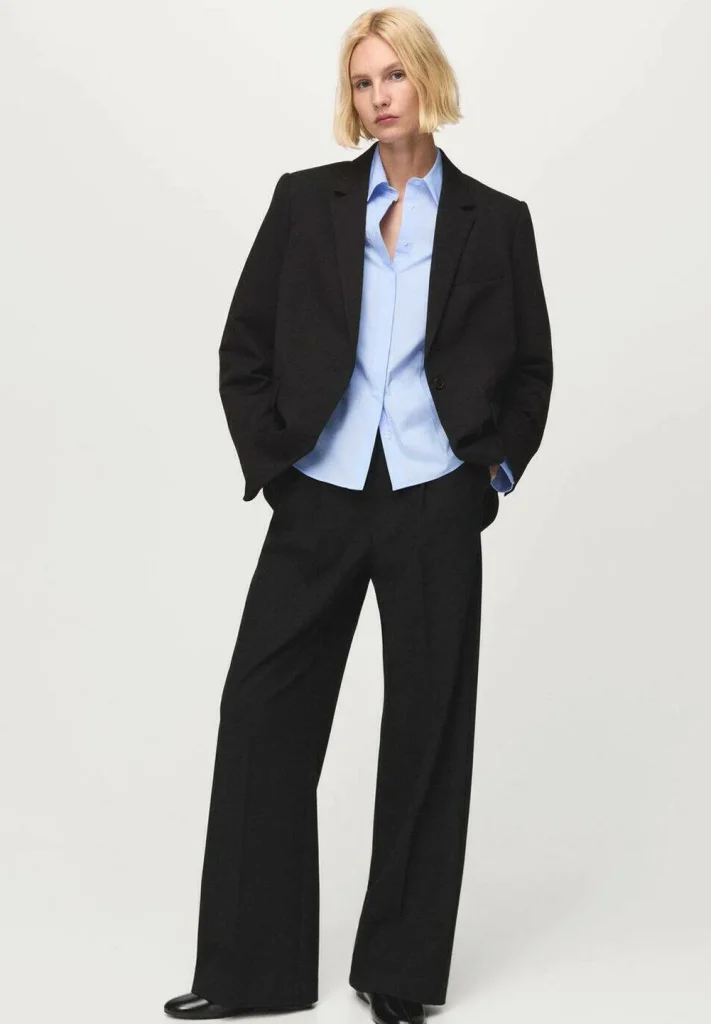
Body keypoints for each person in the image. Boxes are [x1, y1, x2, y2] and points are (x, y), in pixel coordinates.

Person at [164, 7, 552, 1023]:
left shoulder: (496, 221)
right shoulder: (306, 202)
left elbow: (530, 369)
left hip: (433, 495)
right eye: (362, 81)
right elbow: (244, 345)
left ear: (428, 80)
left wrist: (488, 474)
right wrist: (278, 467)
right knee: (262, 716)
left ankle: (398, 973)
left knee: (427, 728)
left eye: (394, 75)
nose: (380, 96)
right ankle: (249, 974)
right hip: (321, 490)